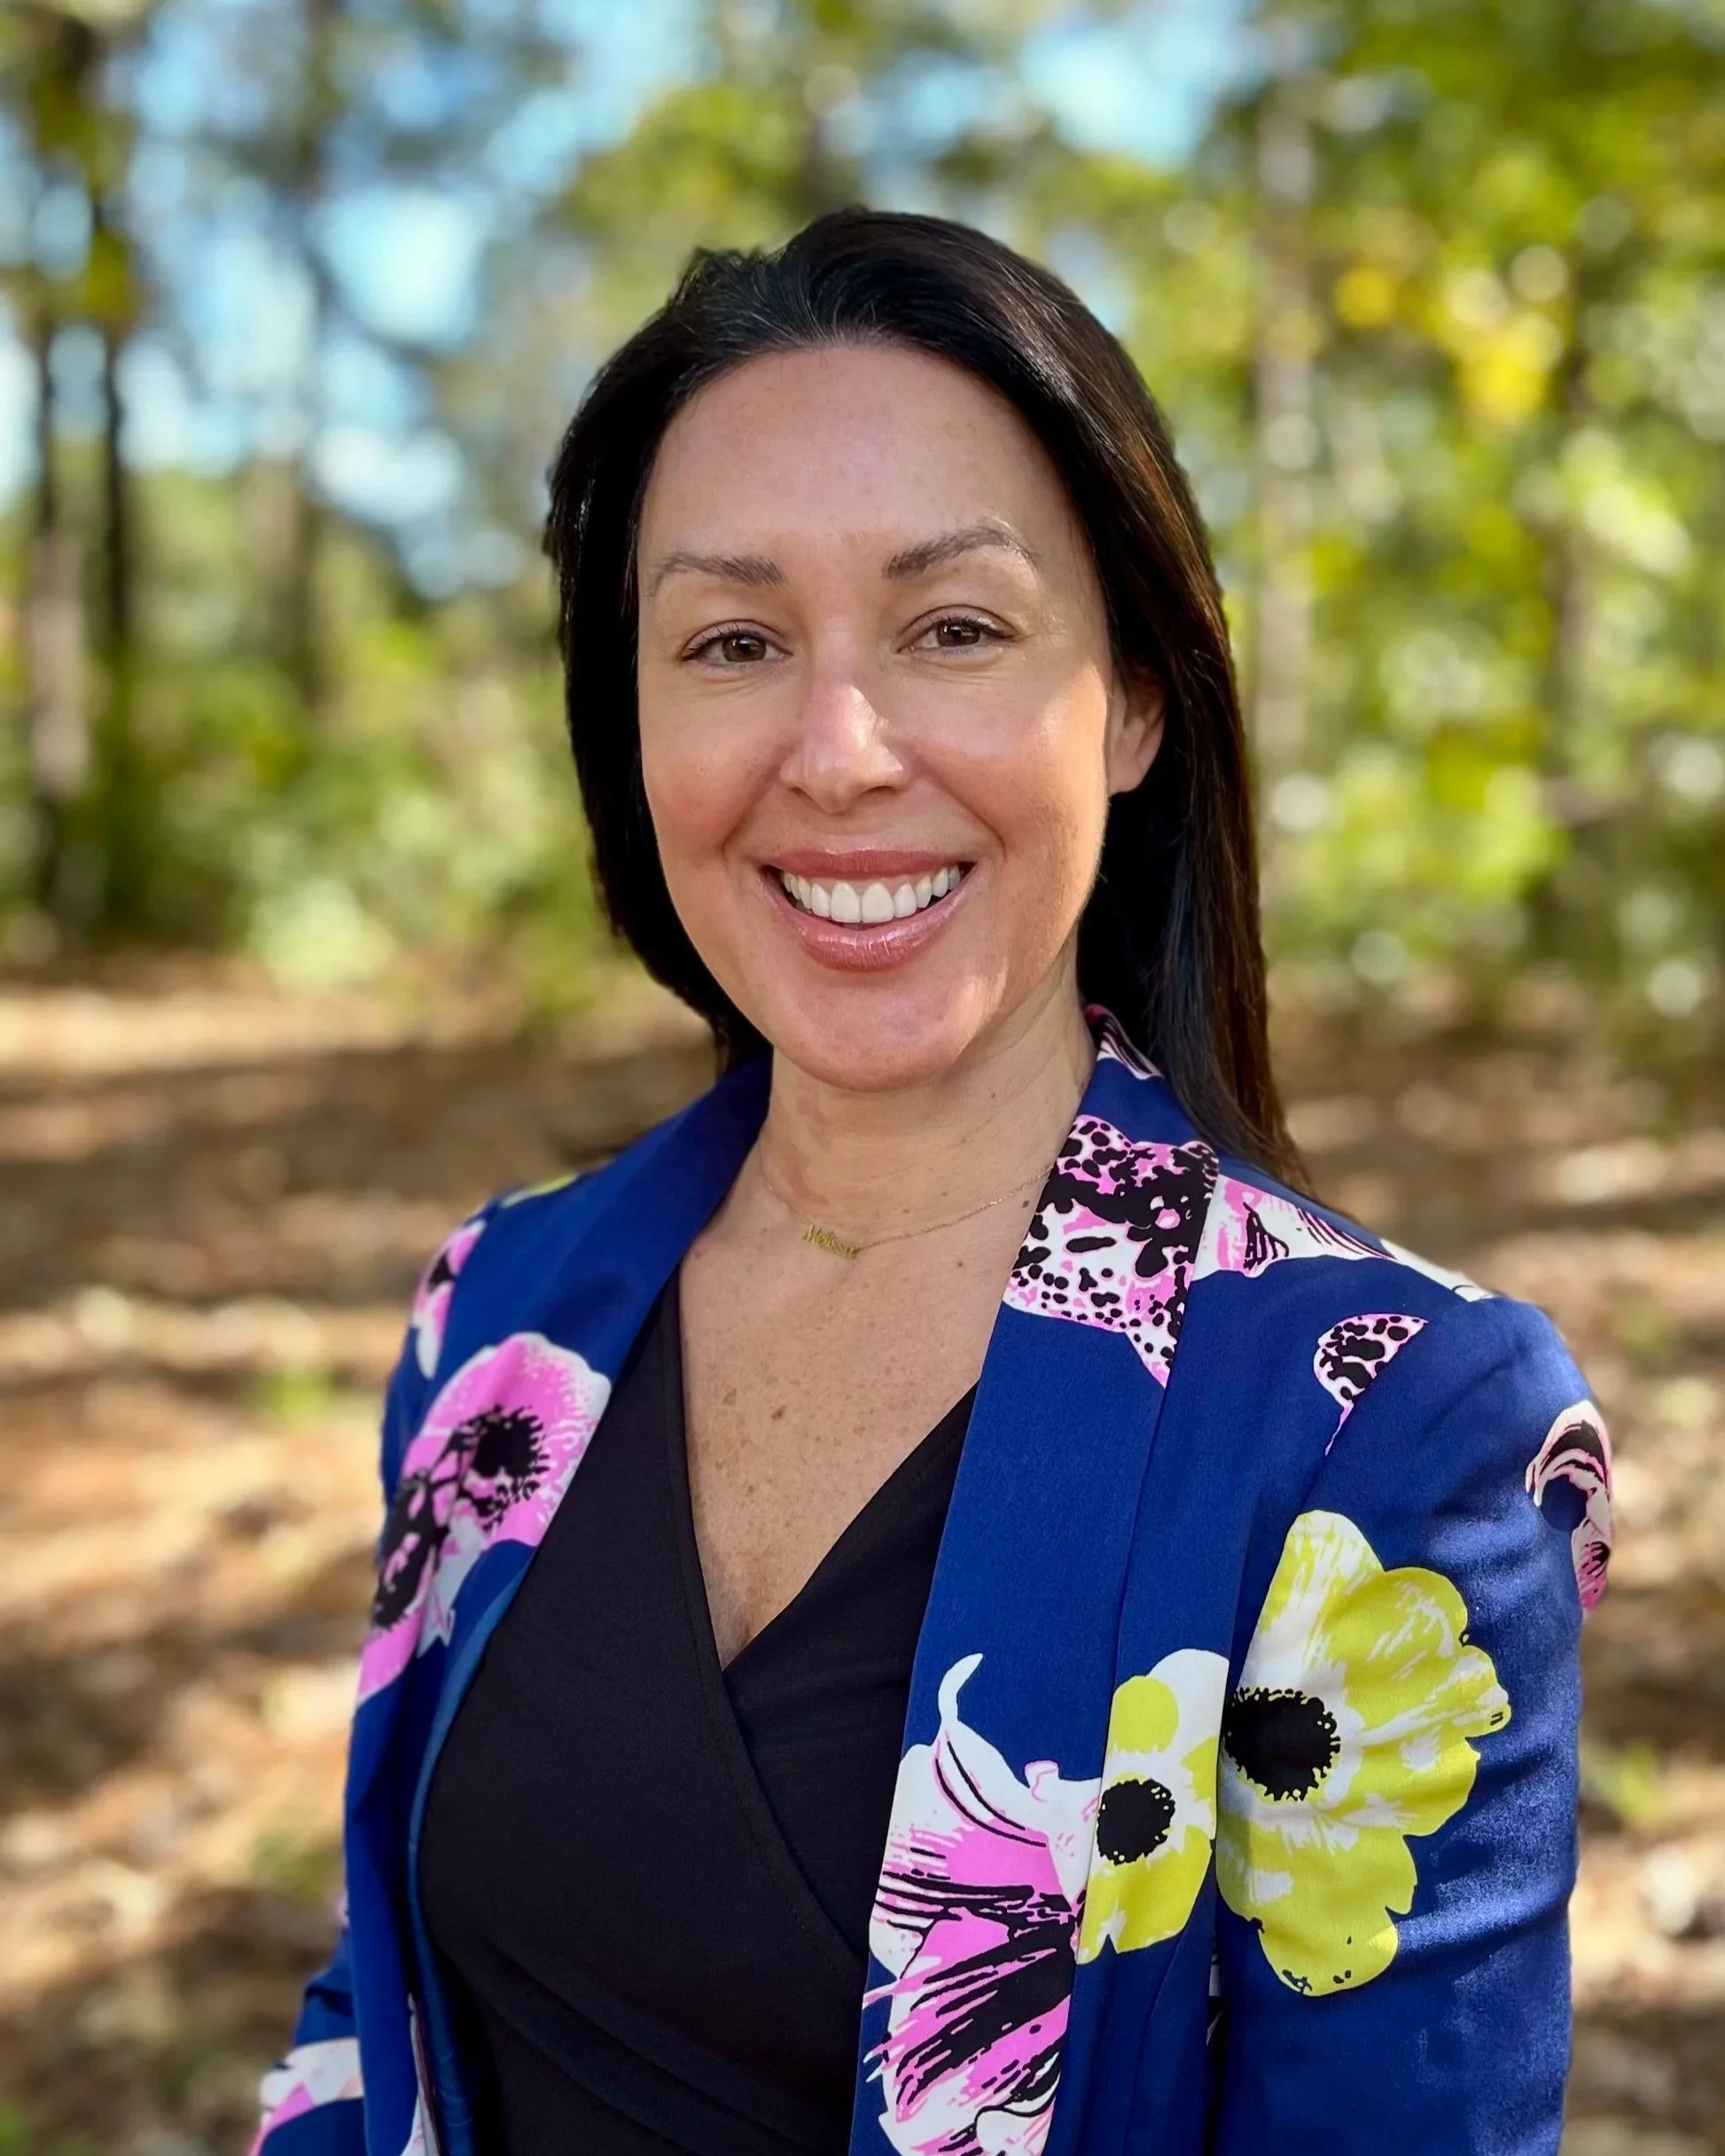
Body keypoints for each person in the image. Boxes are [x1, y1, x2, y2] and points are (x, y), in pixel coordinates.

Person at [252, 211, 1611, 2156]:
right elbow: (370, 2002)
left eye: (953, 628)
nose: (837, 750)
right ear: (626, 724)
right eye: (731, 641)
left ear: (1134, 700)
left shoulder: (1393, 1424)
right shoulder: (499, 1315)